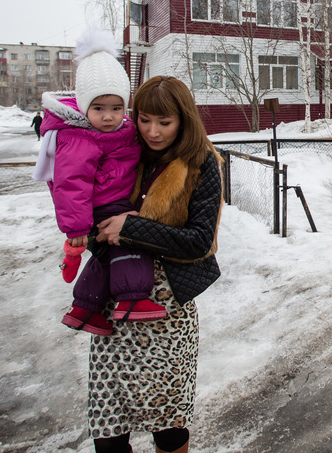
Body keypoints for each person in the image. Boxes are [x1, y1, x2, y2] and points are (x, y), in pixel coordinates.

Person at [88, 75, 224, 453]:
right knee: (108, 426)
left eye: (164, 122)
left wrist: (132, 228)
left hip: (168, 311)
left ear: (184, 119)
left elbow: (200, 242)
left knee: (168, 425)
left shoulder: (202, 164)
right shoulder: (127, 154)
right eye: (145, 119)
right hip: (115, 305)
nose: (152, 131)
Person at [33, 29, 166, 338]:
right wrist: (77, 229)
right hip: (104, 205)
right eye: (99, 109)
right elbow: (69, 186)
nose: (108, 117)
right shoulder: (78, 138)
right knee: (131, 241)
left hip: (113, 197)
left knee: (105, 258)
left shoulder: (121, 129)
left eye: (116, 108)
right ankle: (133, 299)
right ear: (83, 107)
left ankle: (85, 309)